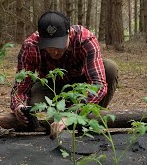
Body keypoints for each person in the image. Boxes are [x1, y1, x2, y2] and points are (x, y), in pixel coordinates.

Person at [10, 11, 118, 139]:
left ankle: (88, 119)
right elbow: (21, 87)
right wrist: (19, 105)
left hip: (81, 87)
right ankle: (52, 126)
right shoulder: (30, 46)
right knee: (32, 109)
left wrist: (71, 115)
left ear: (69, 34)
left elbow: (98, 84)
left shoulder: (85, 39)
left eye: (59, 45)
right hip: (50, 87)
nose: (55, 52)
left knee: (110, 68)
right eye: (49, 47)